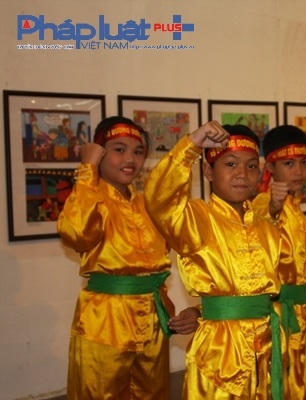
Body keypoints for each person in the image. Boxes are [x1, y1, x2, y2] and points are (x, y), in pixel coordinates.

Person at [143, 121, 289, 400]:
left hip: (266, 350)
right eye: (230, 164)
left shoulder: (266, 228)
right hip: (220, 356)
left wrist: (199, 312)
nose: (242, 174)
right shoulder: (195, 219)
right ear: (208, 171)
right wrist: (192, 145)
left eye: (251, 166)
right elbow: (160, 199)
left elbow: (249, 296)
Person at [57, 116, 200, 399]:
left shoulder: (147, 204)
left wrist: (195, 310)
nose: (130, 159)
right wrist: (87, 169)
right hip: (105, 322)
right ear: (100, 153)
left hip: (152, 320)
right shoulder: (91, 197)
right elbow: (76, 233)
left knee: (153, 393)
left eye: (138, 151)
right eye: (119, 149)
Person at [253, 125, 306, 400]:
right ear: (270, 166)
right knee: (275, 384)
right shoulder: (261, 202)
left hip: (303, 311)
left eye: (304, 162)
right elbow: (262, 218)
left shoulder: (296, 207)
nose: (299, 171)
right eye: (289, 164)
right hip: (278, 314)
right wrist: (273, 206)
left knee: (301, 384)